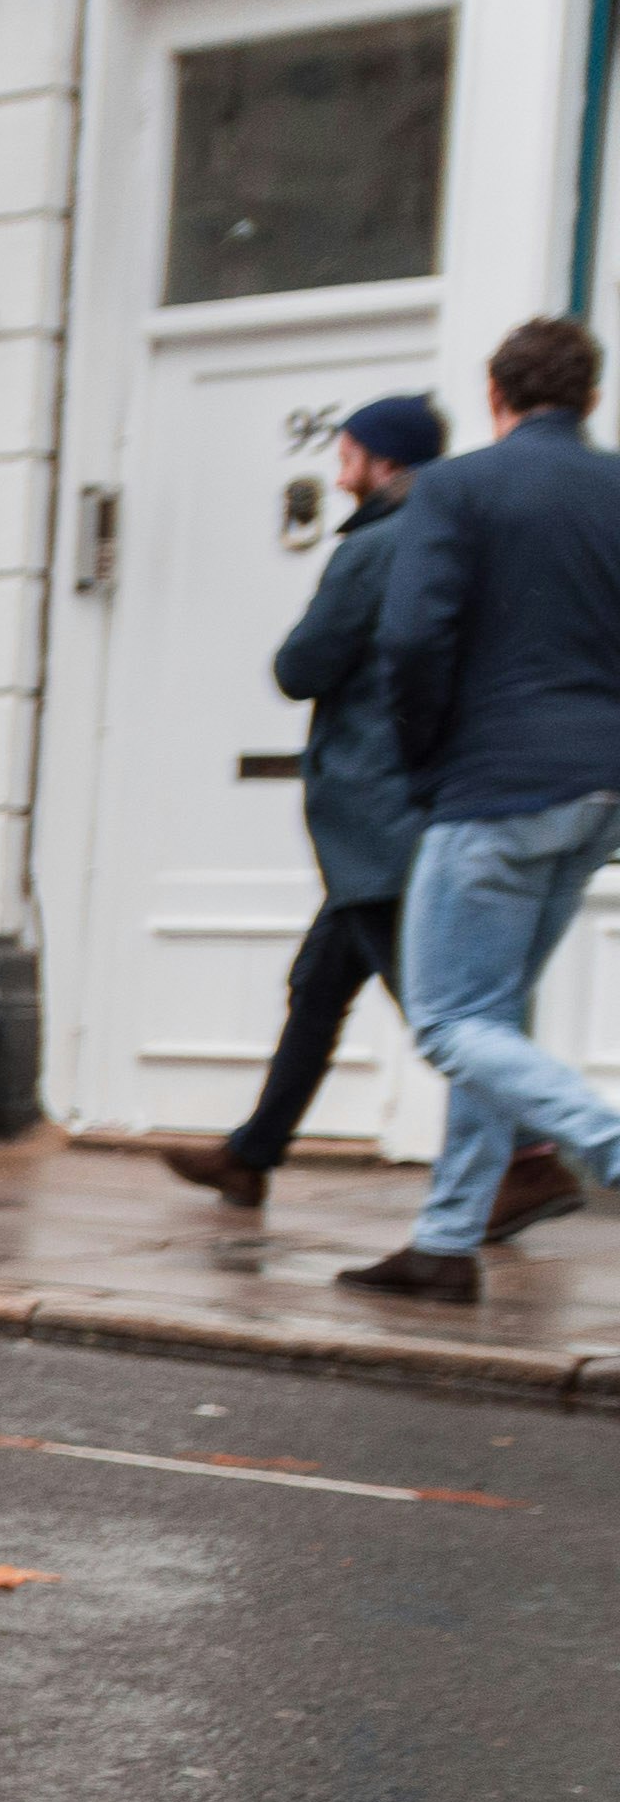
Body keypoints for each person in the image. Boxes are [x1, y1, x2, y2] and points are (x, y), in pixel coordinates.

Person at [341, 316, 620, 1301]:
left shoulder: (456, 486)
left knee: (451, 1019)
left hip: (493, 788)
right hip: (599, 796)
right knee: (492, 1015)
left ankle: (606, 1142)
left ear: (497, 397)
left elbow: (412, 641)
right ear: (587, 398)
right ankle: (445, 1242)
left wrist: (424, 765)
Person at [161, 396, 483, 1211]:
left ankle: (534, 1156)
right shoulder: (457, 534)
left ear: (383, 462)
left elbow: (303, 666)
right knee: (320, 984)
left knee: (440, 1010)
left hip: (376, 813)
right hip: (410, 807)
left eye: (348, 456)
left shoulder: (374, 548)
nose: (338, 474)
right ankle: (253, 1151)